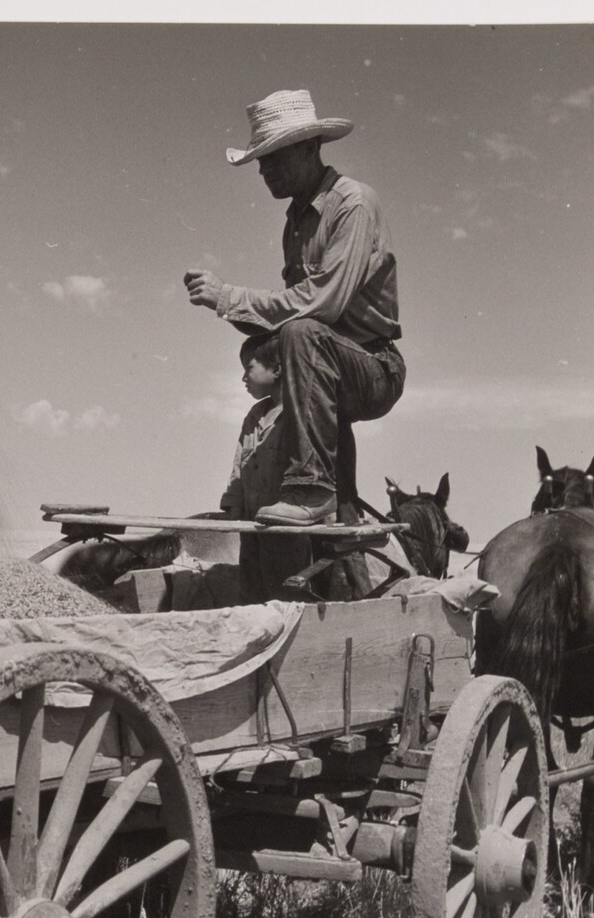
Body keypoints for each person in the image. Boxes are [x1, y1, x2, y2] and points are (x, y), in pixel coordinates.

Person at [184, 89, 405, 526]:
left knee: (301, 334)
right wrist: (230, 310)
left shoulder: (353, 204)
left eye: (274, 158)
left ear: (310, 148)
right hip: (331, 364)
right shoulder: (297, 222)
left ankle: (310, 492)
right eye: (260, 161)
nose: (264, 170)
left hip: (375, 367)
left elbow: (320, 305)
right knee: (297, 343)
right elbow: (297, 317)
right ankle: (334, 509)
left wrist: (229, 298)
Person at [219, 333, 313, 601]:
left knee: (285, 593)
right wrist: (232, 505)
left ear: (277, 369)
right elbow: (239, 465)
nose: (243, 378)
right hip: (252, 526)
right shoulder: (254, 415)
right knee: (251, 588)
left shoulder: (298, 414)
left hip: (287, 530)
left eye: (249, 367)